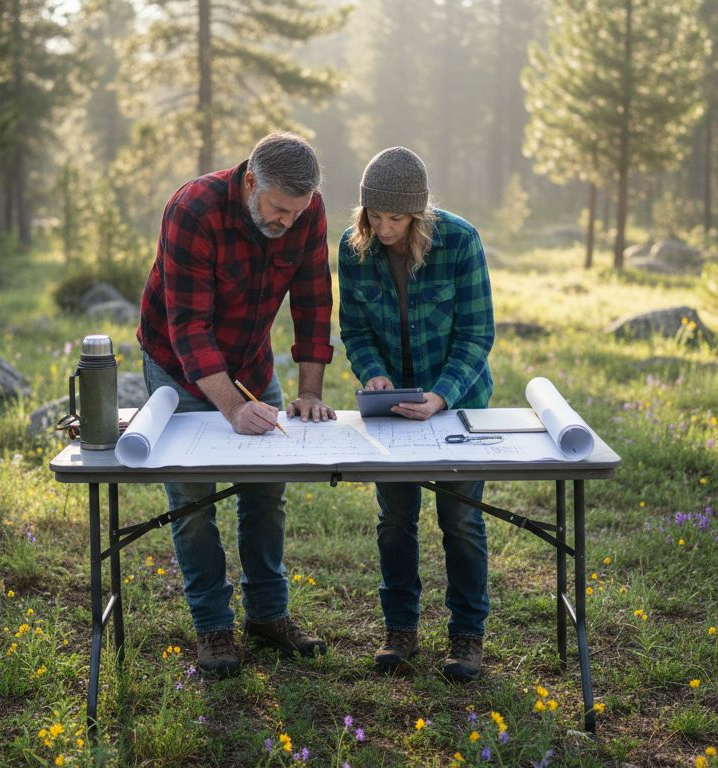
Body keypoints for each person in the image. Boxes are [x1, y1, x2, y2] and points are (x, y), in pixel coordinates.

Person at [136, 131, 337, 679]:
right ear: (251, 182)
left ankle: (268, 616)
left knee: (266, 492)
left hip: (251, 363)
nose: (288, 222)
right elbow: (189, 327)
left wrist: (310, 392)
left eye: (297, 213)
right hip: (176, 368)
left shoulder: (306, 207)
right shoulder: (192, 209)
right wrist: (229, 408)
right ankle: (213, 627)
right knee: (192, 500)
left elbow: (315, 300)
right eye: (278, 210)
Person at [338, 146, 495, 681]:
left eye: (395, 218)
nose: (383, 228)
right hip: (391, 407)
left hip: (456, 406)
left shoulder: (460, 241)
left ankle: (466, 637)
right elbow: (355, 330)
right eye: (374, 216)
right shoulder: (353, 247)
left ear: (418, 213)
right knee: (396, 520)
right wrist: (373, 373)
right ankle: (399, 630)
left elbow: (477, 335)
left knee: (461, 520)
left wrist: (441, 396)